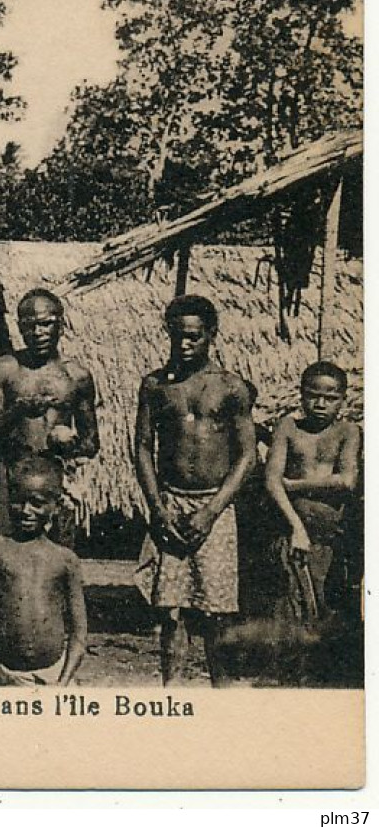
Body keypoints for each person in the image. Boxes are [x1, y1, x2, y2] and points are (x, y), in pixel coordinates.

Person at [132, 294, 256, 687]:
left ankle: (220, 694)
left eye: (193, 338)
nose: (184, 345)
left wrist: (212, 510)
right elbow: (141, 448)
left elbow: (247, 456)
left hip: (213, 508)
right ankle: (172, 692)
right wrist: (158, 507)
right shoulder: (155, 386)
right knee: (171, 610)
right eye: (177, 336)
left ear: (211, 336)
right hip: (170, 501)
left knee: (216, 611)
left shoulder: (231, 388)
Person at [0, 289, 100, 534]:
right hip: (11, 476)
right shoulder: (4, 370)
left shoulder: (77, 376)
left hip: (55, 476)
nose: (38, 332)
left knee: (55, 559)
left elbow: (92, 442)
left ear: (61, 326)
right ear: (20, 328)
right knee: (7, 556)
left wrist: (68, 444)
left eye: (46, 324)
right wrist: (17, 411)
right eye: (30, 326)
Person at [0, 456, 87, 686]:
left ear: (54, 505)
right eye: (18, 501)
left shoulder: (65, 559)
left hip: (54, 676)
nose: (26, 510)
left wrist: (62, 683)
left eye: (37, 502)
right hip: (4, 674)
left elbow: (79, 633)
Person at [264, 361, 361, 625]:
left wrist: (295, 485)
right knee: (289, 611)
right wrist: (297, 528)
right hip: (291, 534)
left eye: (330, 398)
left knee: (324, 613)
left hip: (329, 539)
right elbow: (272, 481)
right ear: (301, 394)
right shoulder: (288, 427)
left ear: (342, 400)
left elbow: (347, 480)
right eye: (313, 396)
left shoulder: (347, 432)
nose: (320, 404)